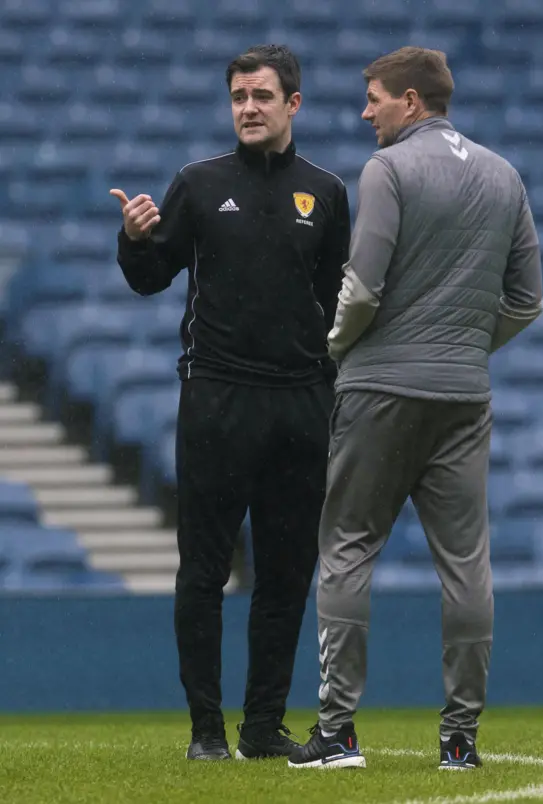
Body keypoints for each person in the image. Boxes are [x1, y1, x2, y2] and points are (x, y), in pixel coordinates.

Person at [288, 47, 543, 771]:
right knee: (467, 565)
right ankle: (460, 741)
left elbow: (362, 289)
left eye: (373, 98)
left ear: (410, 100)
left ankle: (336, 734)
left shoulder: (388, 170)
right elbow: (528, 300)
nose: (365, 111)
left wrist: (334, 348)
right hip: (464, 395)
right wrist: (463, 346)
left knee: (346, 549)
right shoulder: (505, 174)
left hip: (379, 390)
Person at [111, 44, 350, 762]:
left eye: (262, 96)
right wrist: (131, 242)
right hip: (217, 399)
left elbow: (342, 300)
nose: (248, 108)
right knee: (204, 571)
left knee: (285, 574)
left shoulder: (328, 192)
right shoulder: (198, 182)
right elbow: (151, 278)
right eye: (239, 97)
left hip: (302, 406)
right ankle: (207, 733)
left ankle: (261, 727)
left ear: (293, 104)